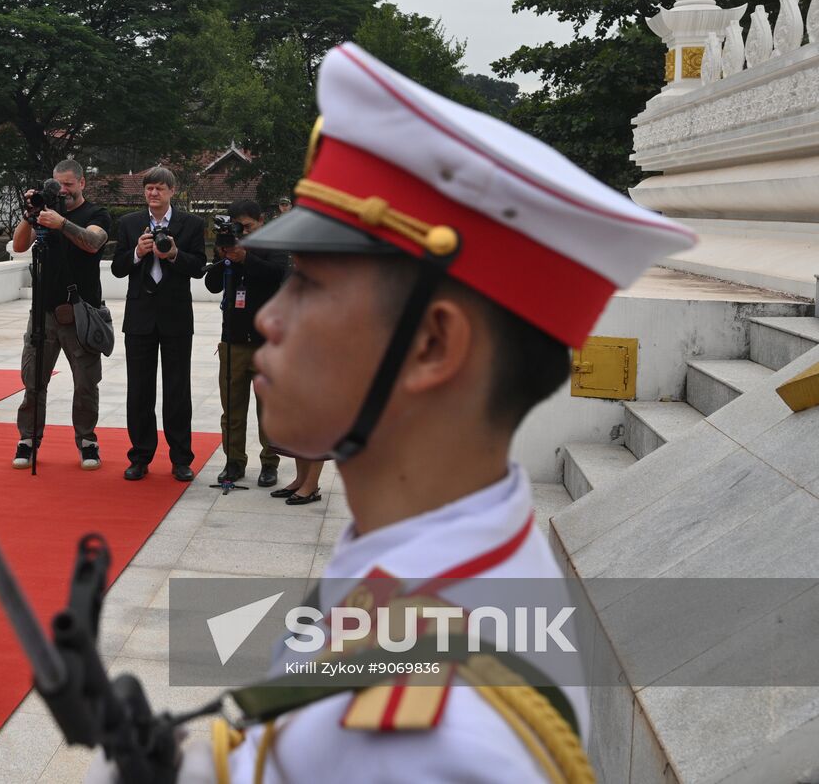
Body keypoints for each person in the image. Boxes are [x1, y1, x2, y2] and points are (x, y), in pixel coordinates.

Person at [86, 42, 695, 782]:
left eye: (308, 285)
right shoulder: (423, 548)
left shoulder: (433, 750)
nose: (272, 319)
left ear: (433, 345)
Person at [12, 159, 111, 471]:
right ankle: (28, 439)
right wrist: (31, 215)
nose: (64, 191)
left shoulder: (95, 214)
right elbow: (18, 245)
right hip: (44, 312)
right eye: (58, 185)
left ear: (82, 183)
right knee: (33, 381)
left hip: (82, 310)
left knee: (85, 382)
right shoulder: (43, 213)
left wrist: (62, 223)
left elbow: (94, 243)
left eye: (69, 184)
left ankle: (87, 441)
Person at [110, 166, 206, 482]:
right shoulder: (129, 224)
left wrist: (176, 254)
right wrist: (137, 253)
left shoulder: (191, 224)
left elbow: (199, 268)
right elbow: (118, 269)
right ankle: (139, 457)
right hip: (139, 319)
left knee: (177, 391)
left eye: (160, 188)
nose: (154, 193)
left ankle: (181, 458)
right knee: (139, 391)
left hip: (176, 318)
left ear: (172, 191)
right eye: (149, 188)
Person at [204, 200, 293, 490]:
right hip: (233, 341)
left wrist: (245, 258)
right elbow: (213, 285)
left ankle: (269, 463)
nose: (242, 231)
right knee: (232, 407)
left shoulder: (274, 246)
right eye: (237, 226)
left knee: (268, 408)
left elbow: (276, 276)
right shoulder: (228, 247)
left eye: (248, 226)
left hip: (267, 342)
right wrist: (224, 256)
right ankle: (234, 461)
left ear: (262, 221)